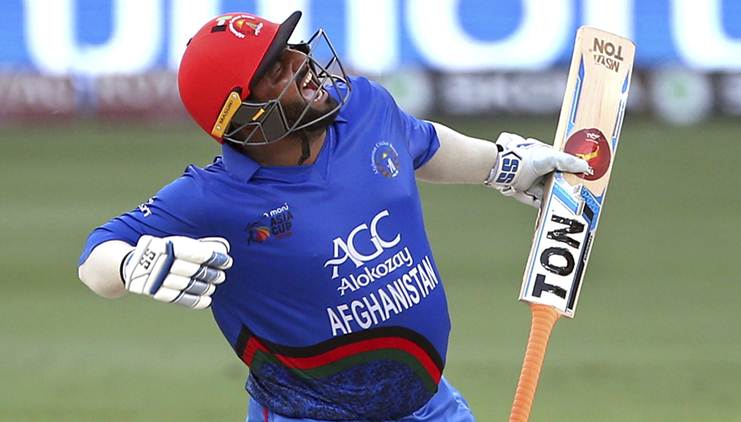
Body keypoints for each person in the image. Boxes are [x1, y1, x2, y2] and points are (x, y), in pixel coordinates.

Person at [77, 10, 589, 422]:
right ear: (241, 115)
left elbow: (422, 143)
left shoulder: (362, 107)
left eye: (291, 49)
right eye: (275, 69)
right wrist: (132, 266)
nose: (300, 63)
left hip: (428, 405)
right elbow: (95, 256)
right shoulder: (214, 198)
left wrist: (502, 165)